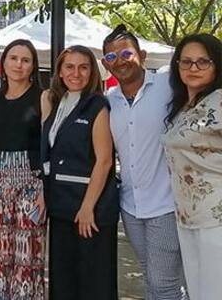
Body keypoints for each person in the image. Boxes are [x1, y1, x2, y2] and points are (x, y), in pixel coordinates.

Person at [102, 24, 187, 300]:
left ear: (142, 55)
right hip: (130, 207)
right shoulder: (109, 101)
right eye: (112, 57)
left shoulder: (168, 84)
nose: (120, 61)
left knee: (164, 284)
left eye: (126, 53)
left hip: (166, 205)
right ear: (105, 64)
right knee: (151, 276)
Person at [40, 46, 118, 300]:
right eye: (69, 67)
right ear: (60, 72)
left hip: (89, 209)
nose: (76, 73)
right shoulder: (56, 102)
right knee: (64, 280)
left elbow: (104, 161)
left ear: (92, 71)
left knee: (92, 282)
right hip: (61, 206)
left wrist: (87, 208)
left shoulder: (98, 105)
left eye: (83, 67)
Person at [0, 38, 44, 300]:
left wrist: (45, 188)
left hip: (32, 182)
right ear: (3, 63)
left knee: (28, 252)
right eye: (13, 58)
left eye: (25, 60)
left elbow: (49, 145)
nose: (19, 64)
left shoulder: (43, 97)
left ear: (33, 66)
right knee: (1, 251)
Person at [164, 33, 222, 300]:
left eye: (202, 62)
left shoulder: (219, 101)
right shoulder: (184, 106)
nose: (193, 68)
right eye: (186, 61)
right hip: (187, 217)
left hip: (216, 218)